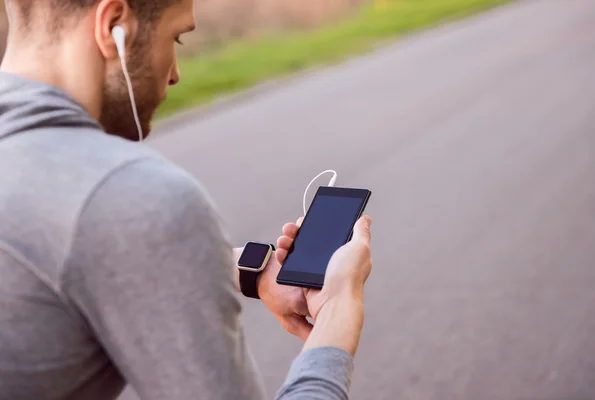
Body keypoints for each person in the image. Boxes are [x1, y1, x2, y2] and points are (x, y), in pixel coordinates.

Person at [0, 0, 373, 399]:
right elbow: (105, 220)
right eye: (176, 37)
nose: (175, 74)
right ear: (113, 26)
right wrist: (336, 316)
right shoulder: (128, 194)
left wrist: (248, 268)